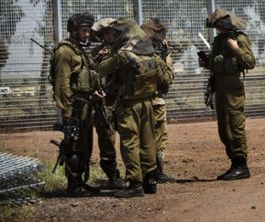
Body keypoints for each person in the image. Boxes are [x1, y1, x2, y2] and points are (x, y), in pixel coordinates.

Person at [95, 18, 174, 198]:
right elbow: (165, 79)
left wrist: (103, 57)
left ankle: (134, 183)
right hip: (147, 104)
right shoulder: (151, 54)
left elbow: (99, 70)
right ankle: (150, 180)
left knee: (130, 142)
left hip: (128, 106)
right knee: (148, 142)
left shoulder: (123, 55)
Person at [199, 9, 255, 181]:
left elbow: (250, 62)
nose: (219, 31)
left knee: (235, 126)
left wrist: (236, 48)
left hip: (233, 90)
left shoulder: (239, 39)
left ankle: (241, 165)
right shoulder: (218, 41)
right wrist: (206, 62)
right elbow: (217, 63)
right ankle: (234, 164)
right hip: (221, 89)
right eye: (217, 28)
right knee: (224, 130)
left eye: (221, 27)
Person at [51, 12, 100, 197]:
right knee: (74, 146)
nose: (87, 34)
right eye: (84, 30)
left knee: (85, 145)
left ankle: (80, 182)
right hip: (74, 107)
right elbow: (62, 84)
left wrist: (92, 92)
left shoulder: (78, 49)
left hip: (85, 104)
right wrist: (67, 110)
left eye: (88, 30)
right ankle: (73, 186)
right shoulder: (65, 52)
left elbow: (82, 78)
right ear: (73, 31)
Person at [90, 18, 126, 190]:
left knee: (129, 138)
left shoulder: (127, 50)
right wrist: (100, 59)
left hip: (124, 101)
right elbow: (90, 75)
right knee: (106, 140)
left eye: (109, 32)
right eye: (103, 33)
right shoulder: (97, 52)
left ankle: (136, 174)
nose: (107, 36)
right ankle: (113, 175)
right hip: (105, 103)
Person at [141, 18, 176, 183]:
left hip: (139, 101)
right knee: (158, 136)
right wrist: (168, 62)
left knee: (142, 136)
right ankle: (155, 171)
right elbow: (166, 79)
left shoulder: (134, 51)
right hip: (154, 99)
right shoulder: (153, 57)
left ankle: (143, 171)